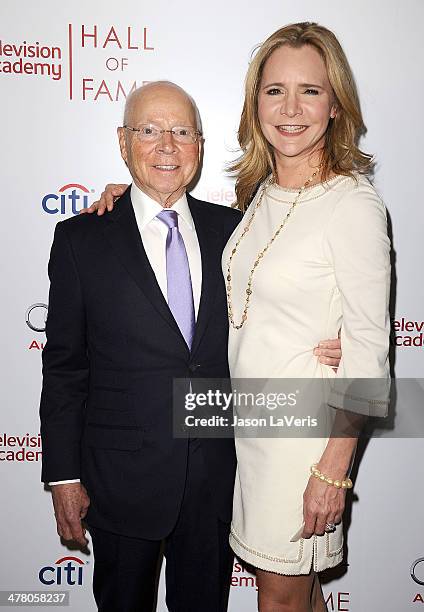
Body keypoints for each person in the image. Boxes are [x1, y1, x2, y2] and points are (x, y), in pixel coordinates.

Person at [96, 22, 390, 612]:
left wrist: (333, 471)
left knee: (281, 599)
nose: (290, 108)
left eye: (310, 91)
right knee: (283, 595)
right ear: (255, 102)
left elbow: (368, 352)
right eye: (274, 90)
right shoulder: (257, 197)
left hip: (301, 445)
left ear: (336, 106)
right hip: (244, 435)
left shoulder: (352, 204)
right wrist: (129, 202)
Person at [40, 79, 342, 612]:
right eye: (149, 131)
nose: (167, 146)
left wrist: (334, 338)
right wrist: (64, 475)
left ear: (200, 145)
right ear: (123, 141)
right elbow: (65, 368)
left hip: (216, 478)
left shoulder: (238, 230)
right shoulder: (81, 239)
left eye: (182, 131)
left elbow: (285, 300)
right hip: (120, 478)